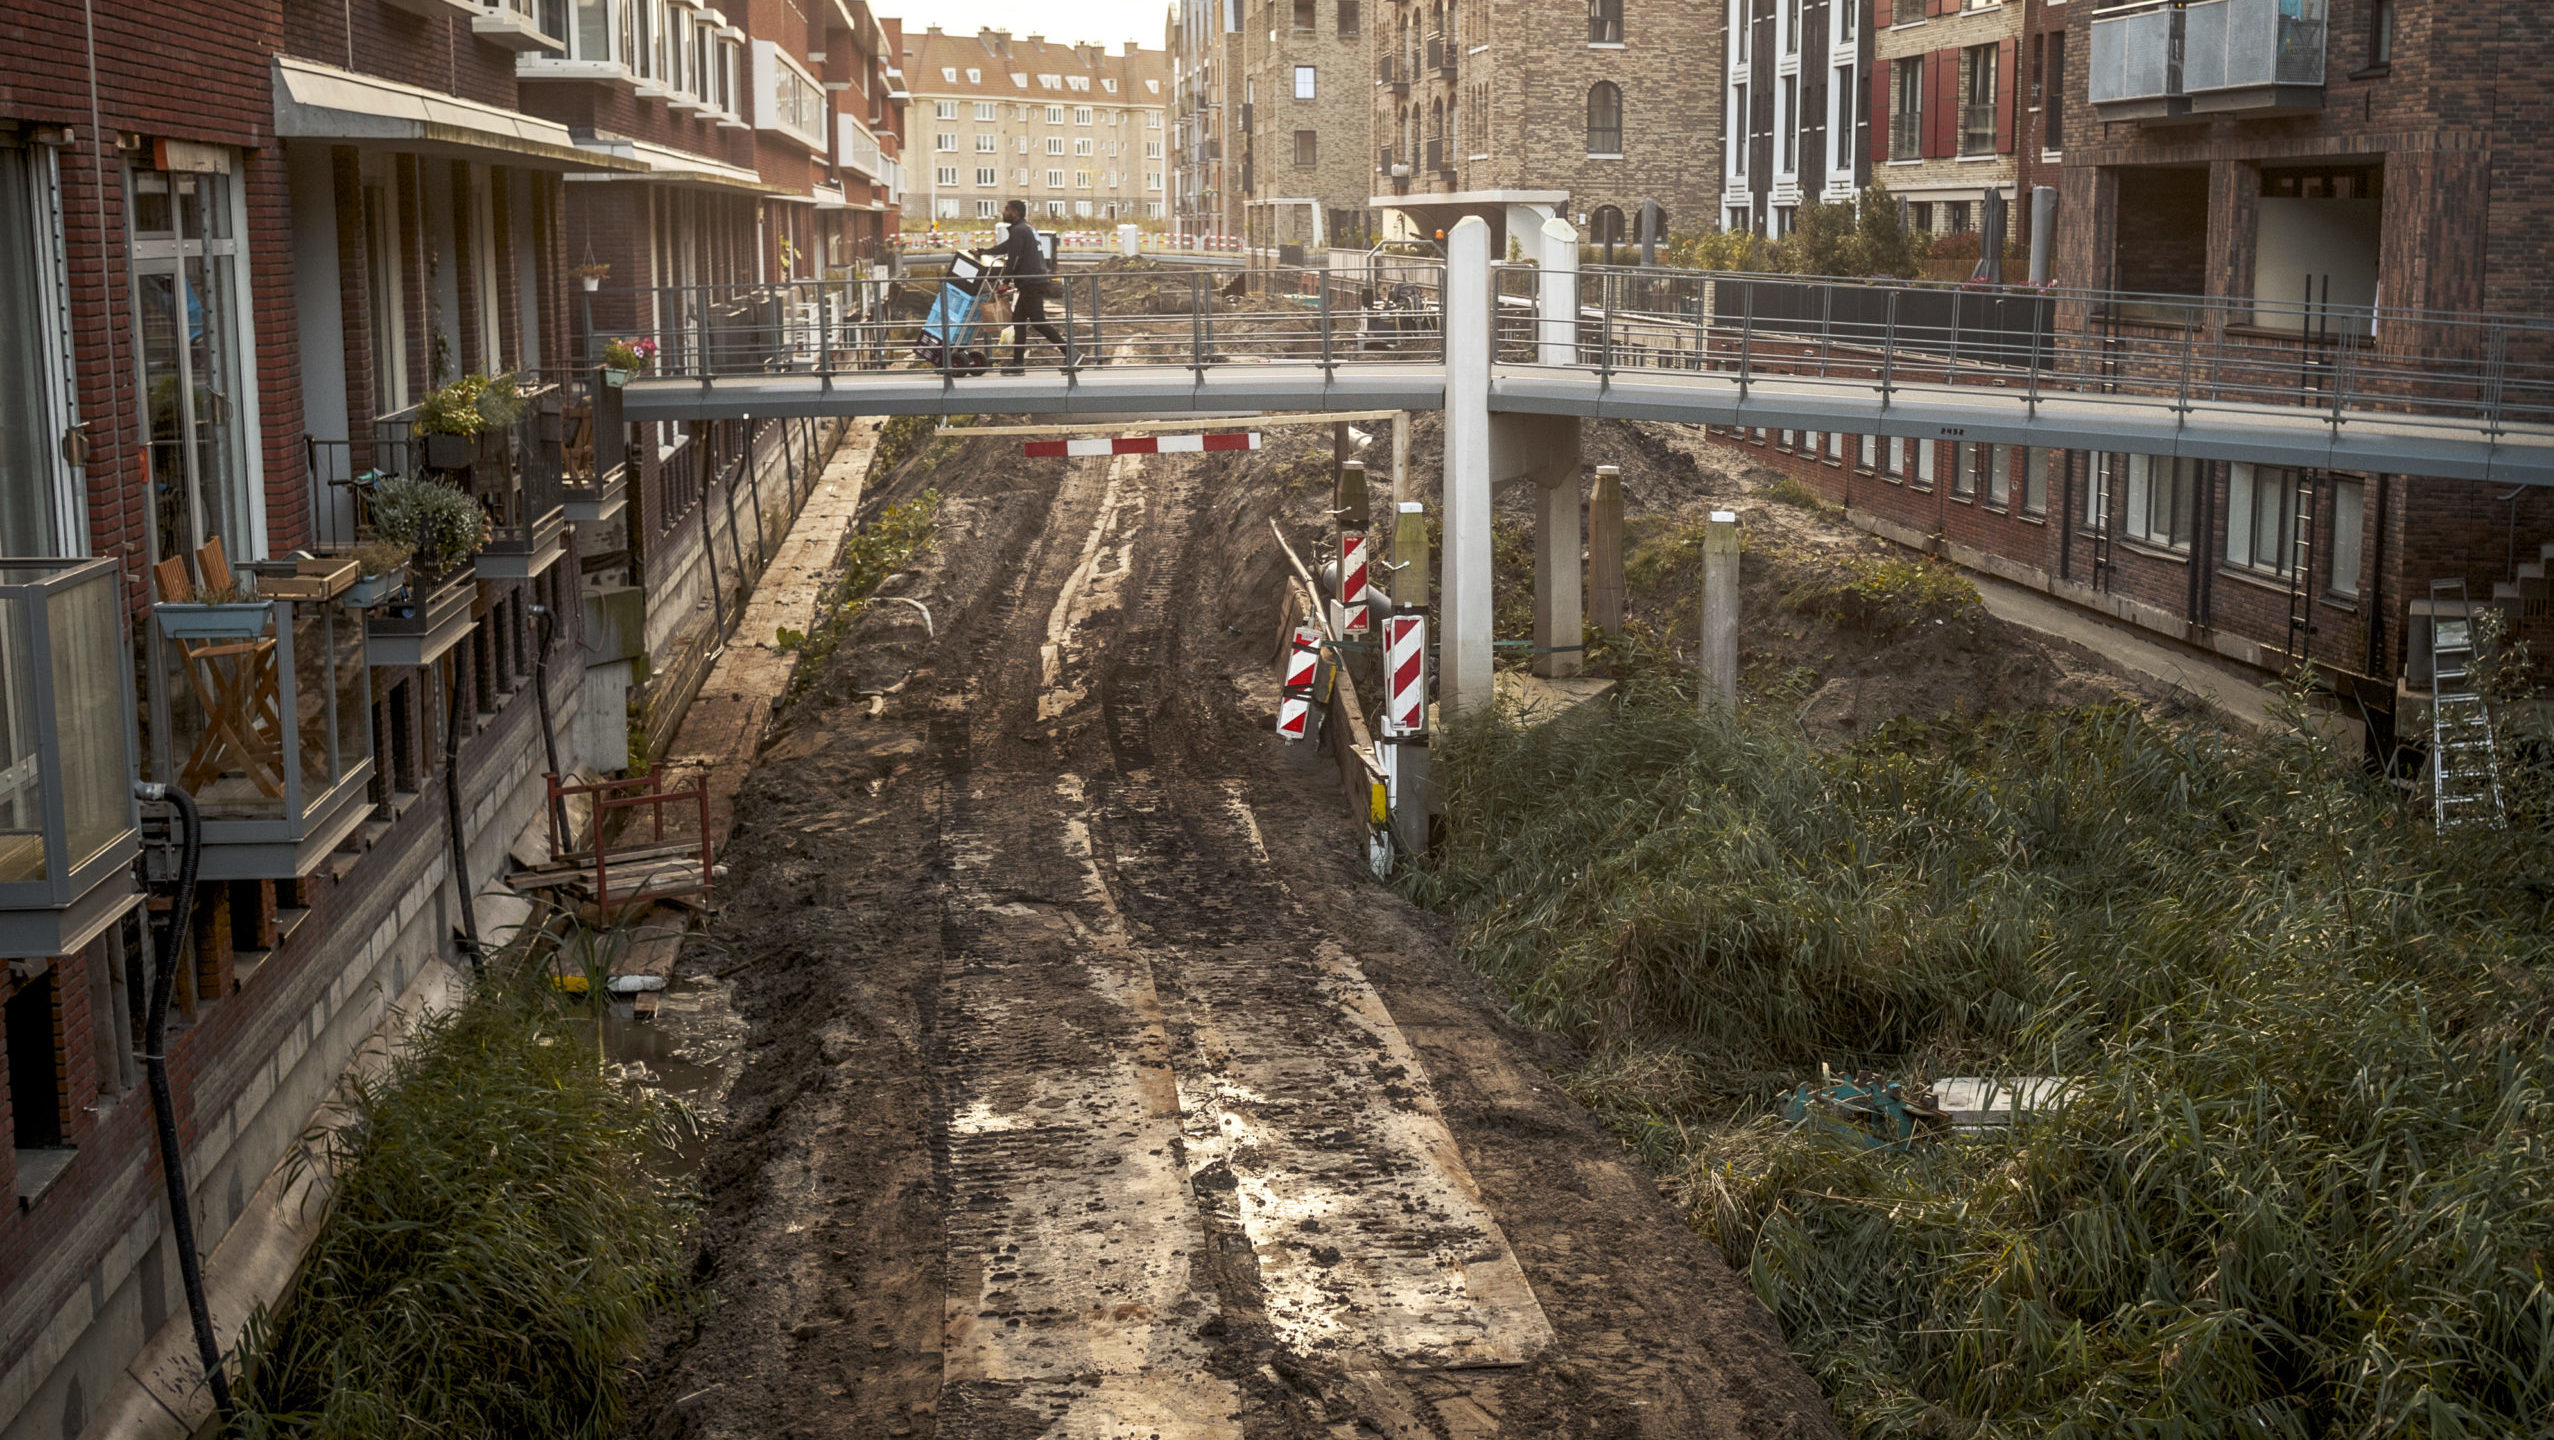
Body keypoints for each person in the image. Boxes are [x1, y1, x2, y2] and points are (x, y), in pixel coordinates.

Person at [976, 201, 1075, 373]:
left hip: (1031, 282)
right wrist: (985, 251)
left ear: (1015, 212)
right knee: (1019, 322)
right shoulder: (1025, 228)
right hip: (1033, 280)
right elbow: (1007, 247)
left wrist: (1005, 282)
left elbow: (1014, 259)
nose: (1004, 212)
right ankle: (1018, 364)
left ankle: (1071, 353)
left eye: (1006, 209)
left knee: (1038, 322)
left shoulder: (1019, 230)